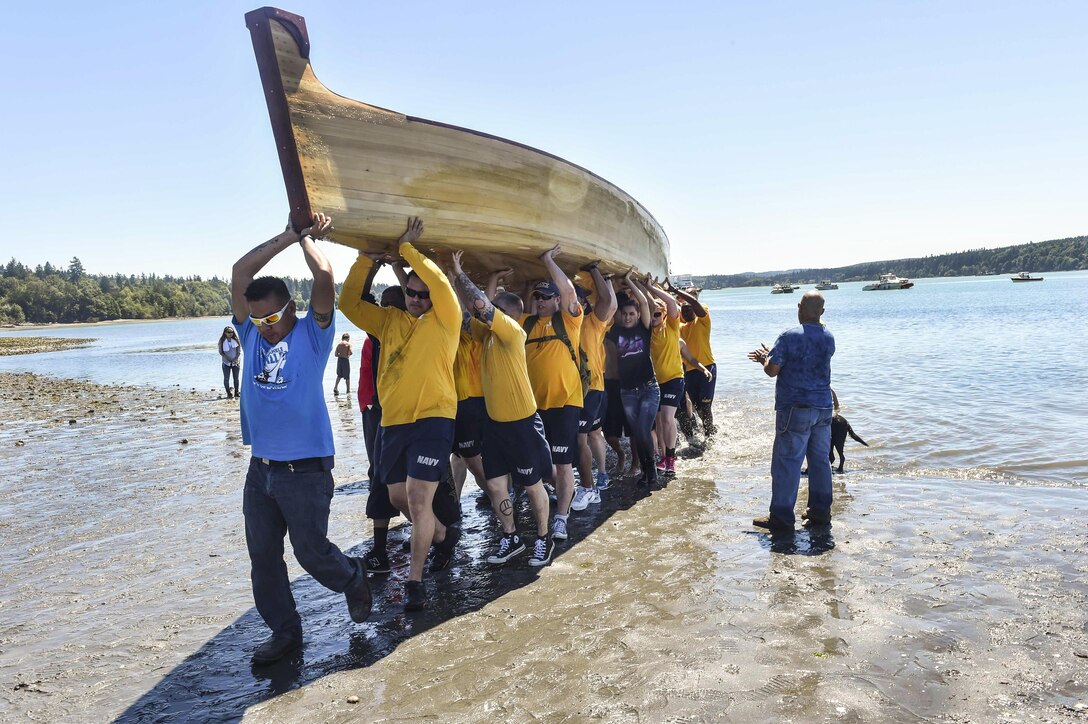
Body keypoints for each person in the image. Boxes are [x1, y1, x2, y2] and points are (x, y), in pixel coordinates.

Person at [230, 212, 372, 666]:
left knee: (312, 553)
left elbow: (325, 275)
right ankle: (286, 633)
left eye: (272, 315)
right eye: (257, 318)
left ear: (291, 307)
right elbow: (240, 273)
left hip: (306, 471)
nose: (265, 325)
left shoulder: (314, 335)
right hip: (261, 471)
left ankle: (352, 577)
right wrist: (288, 234)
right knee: (264, 558)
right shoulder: (251, 335)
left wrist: (306, 241)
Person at [338, 217, 461, 611]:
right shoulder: (387, 321)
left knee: (418, 499)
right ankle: (442, 535)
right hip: (393, 423)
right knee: (397, 497)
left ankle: (414, 581)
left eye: (423, 295)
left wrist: (408, 249)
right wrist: (364, 260)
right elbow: (347, 304)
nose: (416, 299)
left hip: (434, 418)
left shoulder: (446, 320)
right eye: (411, 292)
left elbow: (441, 285)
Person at [450, 252, 555, 566]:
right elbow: (468, 311)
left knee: (532, 484)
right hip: (493, 423)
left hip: (521, 423)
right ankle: (510, 537)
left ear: (507, 314)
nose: (487, 314)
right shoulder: (488, 335)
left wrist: (458, 272)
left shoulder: (511, 332)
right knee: (496, 484)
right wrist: (455, 284)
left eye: (495, 310)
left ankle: (543, 537)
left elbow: (480, 304)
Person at [747, 291, 835, 533]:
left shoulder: (788, 337)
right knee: (820, 462)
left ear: (799, 307)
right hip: (823, 408)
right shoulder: (828, 337)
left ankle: (782, 518)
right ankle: (820, 512)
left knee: (787, 463)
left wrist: (764, 358)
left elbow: (772, 370)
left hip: (795, 408)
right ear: (822, 312)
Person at [520, 245, 584, 542]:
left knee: (563, 463)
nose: (541, 301)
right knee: (542, 466)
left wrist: (547, 261)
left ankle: (561, 518)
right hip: (534, 407)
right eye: (538, 297)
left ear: (556, 299)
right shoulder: (527, 323)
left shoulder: (569, 320)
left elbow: (570, 294)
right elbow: (495, 310)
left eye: (546, 297)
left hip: (565, 403)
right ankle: (555, 497)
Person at [607, 273, 660, 488]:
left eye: (631, 313)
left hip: (648, 388)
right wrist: (609, 282)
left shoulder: (644, 329)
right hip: (626, 391)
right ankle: (648, 471)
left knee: (643, 429)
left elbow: (647, 303)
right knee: (638, 432)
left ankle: (651, 471)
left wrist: (631, 282)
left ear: (637, 315)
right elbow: (609, 308)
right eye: (625, 314)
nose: (627, 317)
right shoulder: (615, 330)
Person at [571, 264, 617, 510]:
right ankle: (590, 478)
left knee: (589, 434)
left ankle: (597, 477)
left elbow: (610, 302)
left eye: (578, 299)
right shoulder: (565, 322)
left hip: (593, 388)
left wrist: (596, 270)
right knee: (587, 434)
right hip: (573, 389)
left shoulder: (592, 322)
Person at [644, 277, 685, 478]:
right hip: (656, 383)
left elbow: (670, 302)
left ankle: (671, 458)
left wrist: (651, 287)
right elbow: (644, 307)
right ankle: (661, 456)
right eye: (652, 315)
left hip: (674, 379)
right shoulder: (648, 331)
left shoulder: (672, 325)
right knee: (659, 421)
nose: (654, 317)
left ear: (664, 314)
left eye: (658, 314)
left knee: (668, 418)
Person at [672, 283, 717, 437]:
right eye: (684, 310)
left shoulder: (703, 321)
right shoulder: (680, 328)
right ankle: (708, 427)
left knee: (705, 406)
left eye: (689, 308)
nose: (687, 310)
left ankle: (710, 436)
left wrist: (677, 292)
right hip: (690, 371)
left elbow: (696, 305)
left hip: (707, 367)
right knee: (697, 407)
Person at [218, 326, 241, 399]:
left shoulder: (236, 340)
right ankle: (228, 393)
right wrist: (228, 359)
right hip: (226, 363)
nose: (230, 333)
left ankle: (236, 392)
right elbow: (221, 352)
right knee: (226, 378)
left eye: (231, 332)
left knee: (236, 378)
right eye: (228, 332)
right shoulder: (221, 341)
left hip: (236, 363)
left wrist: (235, 359)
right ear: (225, 333)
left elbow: (239, 352)